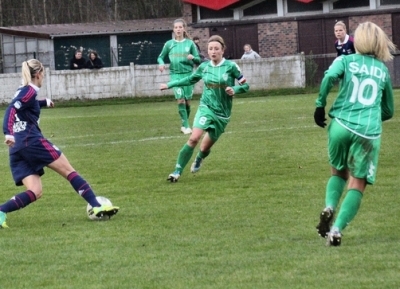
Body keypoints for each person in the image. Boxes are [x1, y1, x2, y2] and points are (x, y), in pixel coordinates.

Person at [0, 59, 119, 228]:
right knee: (69, 171)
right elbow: (12, 108)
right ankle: (97, 205)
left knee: (35, 191)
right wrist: (7, 132)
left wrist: (44, 102)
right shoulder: (29, 91)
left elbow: (26, 104)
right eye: (43, 75)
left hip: (17, 148)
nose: (43, 78)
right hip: (31, 141)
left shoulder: (23, 90)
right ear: (39, 74)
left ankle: (1, 211)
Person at [314, 22, 395, 246]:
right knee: (358, 183)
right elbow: (388, 110)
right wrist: (370, 116)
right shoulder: (383, 70)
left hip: (340, 124)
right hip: (368, 131)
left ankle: (329, 206)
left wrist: (320, 105)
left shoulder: (345, 60)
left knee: (338, 173)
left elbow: (329, 77)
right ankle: (337, 229)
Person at [160, 35, 250, 183]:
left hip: (222, 114)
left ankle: (200, 158)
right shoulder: (204, 67)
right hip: (206, 107)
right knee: (194, 138)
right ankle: (177, 171)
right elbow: (190, 79)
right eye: (210, 49)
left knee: (204, 148)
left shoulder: (231, 66)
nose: (213, 51)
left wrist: (235, 89)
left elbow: (246, 86)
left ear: (223, 50)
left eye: (216, 49)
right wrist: (170, 84)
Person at [157, 18, 201, 135]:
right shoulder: (169, 44)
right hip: (175, 75)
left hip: (188, 75)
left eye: (180, 27)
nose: (178, 29)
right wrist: (161, 64)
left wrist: (193, 58)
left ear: (184, 29)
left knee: (187, 102)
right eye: (176, 27)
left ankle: (183, 124)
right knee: (180, 99)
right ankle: (186, 126)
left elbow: (198, 60)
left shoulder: (190, 43)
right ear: (173, 29)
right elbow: (160, 57)